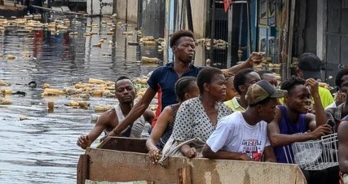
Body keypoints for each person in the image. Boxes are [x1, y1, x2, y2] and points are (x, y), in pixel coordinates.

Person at [104, 30, 264, 141]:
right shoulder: (160, 73)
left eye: (193, 47)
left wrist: (247, 63)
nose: (191, 49)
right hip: (165, 125)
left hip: (191, 126)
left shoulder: (199, 74)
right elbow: (142, 105)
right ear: (174, 49)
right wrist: (116, 131)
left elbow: (226, 73)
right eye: (186, 46)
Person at [268, 76, 337, 184]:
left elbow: (322, 129)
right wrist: (310, 135)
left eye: (308, 97)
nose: (307, 100)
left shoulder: (306, 117)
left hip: (302, 165)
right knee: (304, 175)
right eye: (301, 97)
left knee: (327, 171)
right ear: (286, 98)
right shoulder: (277, 112)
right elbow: (274, 139)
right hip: (281, 168)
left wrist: (316, 95)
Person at [164, 67, 234, 159]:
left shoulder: (226, 110)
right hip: (192, 160)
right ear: (206, 87)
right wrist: (188, 151)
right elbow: (181, 141)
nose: (224, 87)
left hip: (218, 159)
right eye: (220, 84)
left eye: (225, 84)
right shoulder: (188, 106)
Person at [203, 80, 279, 162]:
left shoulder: (263, 124)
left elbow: (270, 157)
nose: (276, 111)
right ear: (259, 108)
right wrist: (239, 156)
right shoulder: (230, 123)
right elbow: (207, 151)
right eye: (273, 107)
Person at [76, 77, 154, 149]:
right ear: (116, 95)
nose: (126, 92)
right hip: (113, 155)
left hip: (136, 154)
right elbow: (88, 142)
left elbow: (159, 132)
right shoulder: (108, 116)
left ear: (135, 91)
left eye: (129, 89)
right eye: (121, 90)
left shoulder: (146, 113)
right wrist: (83, 142)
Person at [146, 76, 199, 163]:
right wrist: (153, 150)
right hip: (167, 154)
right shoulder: (170, 111)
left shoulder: (202, 111)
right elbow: (151, 140)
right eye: (200, 94)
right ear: (188, 96)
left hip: (190, 154)